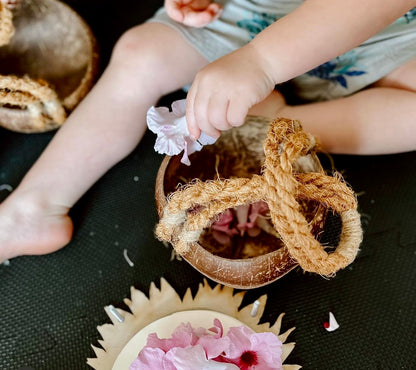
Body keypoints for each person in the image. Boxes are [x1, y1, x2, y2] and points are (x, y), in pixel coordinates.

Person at [1, 0, 416, 262]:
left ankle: (282, 122)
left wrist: (262, 62)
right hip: (254, 14)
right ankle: (33, 208)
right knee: (141, 55)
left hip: (387, 33)